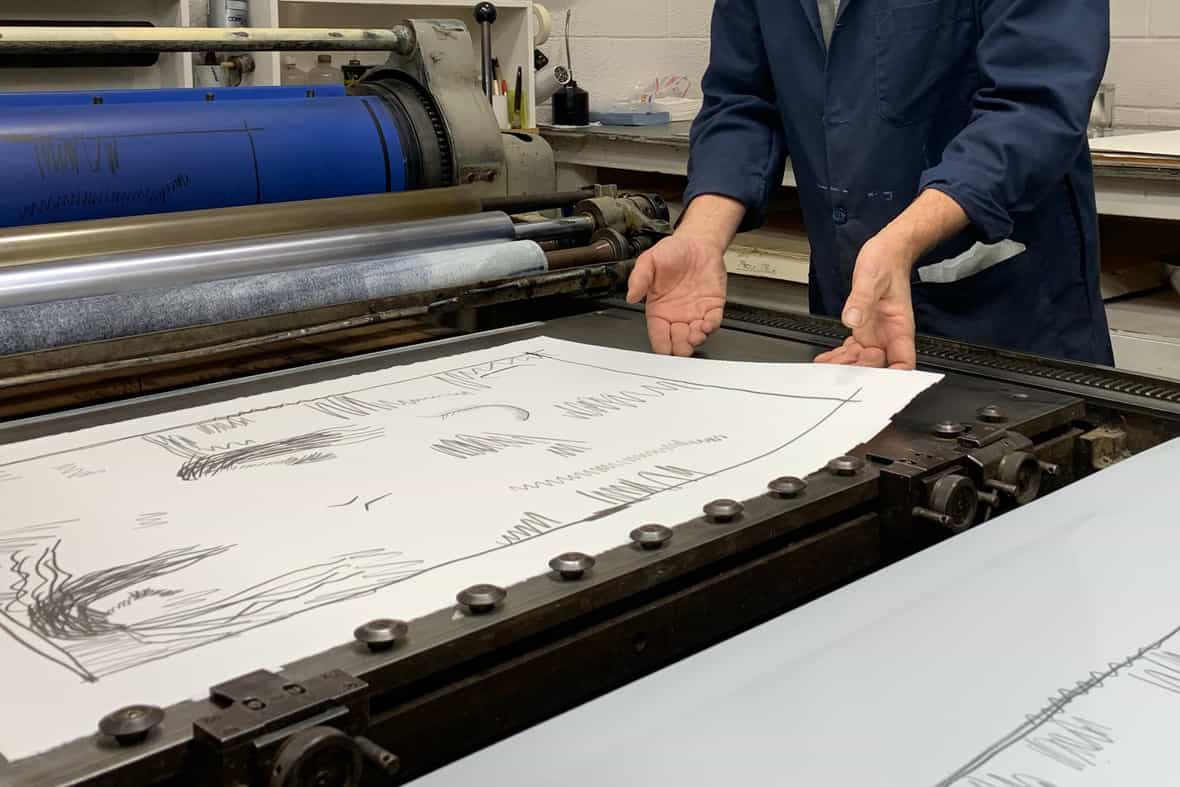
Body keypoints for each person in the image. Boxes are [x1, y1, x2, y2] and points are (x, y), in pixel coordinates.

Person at [626, 0, 1114, 369]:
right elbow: (742, 101)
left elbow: (1033, 106)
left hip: (1007, 314)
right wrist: (701, 235)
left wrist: (901, 243)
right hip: (853, 309)